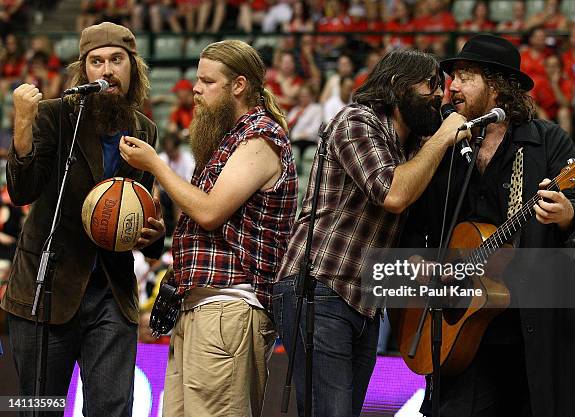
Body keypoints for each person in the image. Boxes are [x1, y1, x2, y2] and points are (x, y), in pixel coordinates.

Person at [403, 34, 575, 417]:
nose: (452, 86)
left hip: (530, 324)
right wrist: (417, 261)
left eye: (465, 76)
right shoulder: (443, 144)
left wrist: (565, 213)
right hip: (459, 326)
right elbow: (414, 222)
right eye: (452, 77)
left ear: (497, 85)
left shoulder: (547, 140)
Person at [273, 48, 469, 417]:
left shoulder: (413, 145)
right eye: (430, 85)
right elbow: (393, 193)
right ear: (397, 86)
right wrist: (443, 139)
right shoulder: (356, 122)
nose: (440, 96)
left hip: (363, 301)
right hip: (319, 287)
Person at [118, 39, 298, 417]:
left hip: (229, 309)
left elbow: (211, 212)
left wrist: (155, 164)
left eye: (206, 81)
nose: (195, 89)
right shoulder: (227, 139)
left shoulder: (259, 138)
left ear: (239, 85)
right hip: (199, 307)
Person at [2, 22, 165, 417]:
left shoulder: (145, 130)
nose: (106, 70)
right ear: (84, 70)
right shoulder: (57, 118)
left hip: (111, 291)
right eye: (96, 61)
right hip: (47, 290)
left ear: (133, 68)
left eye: (116, 60)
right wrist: (23, 125)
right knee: (38, 408)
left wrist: (152, 234)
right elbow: (23, 191)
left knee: (112, 409)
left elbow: (137, 211)